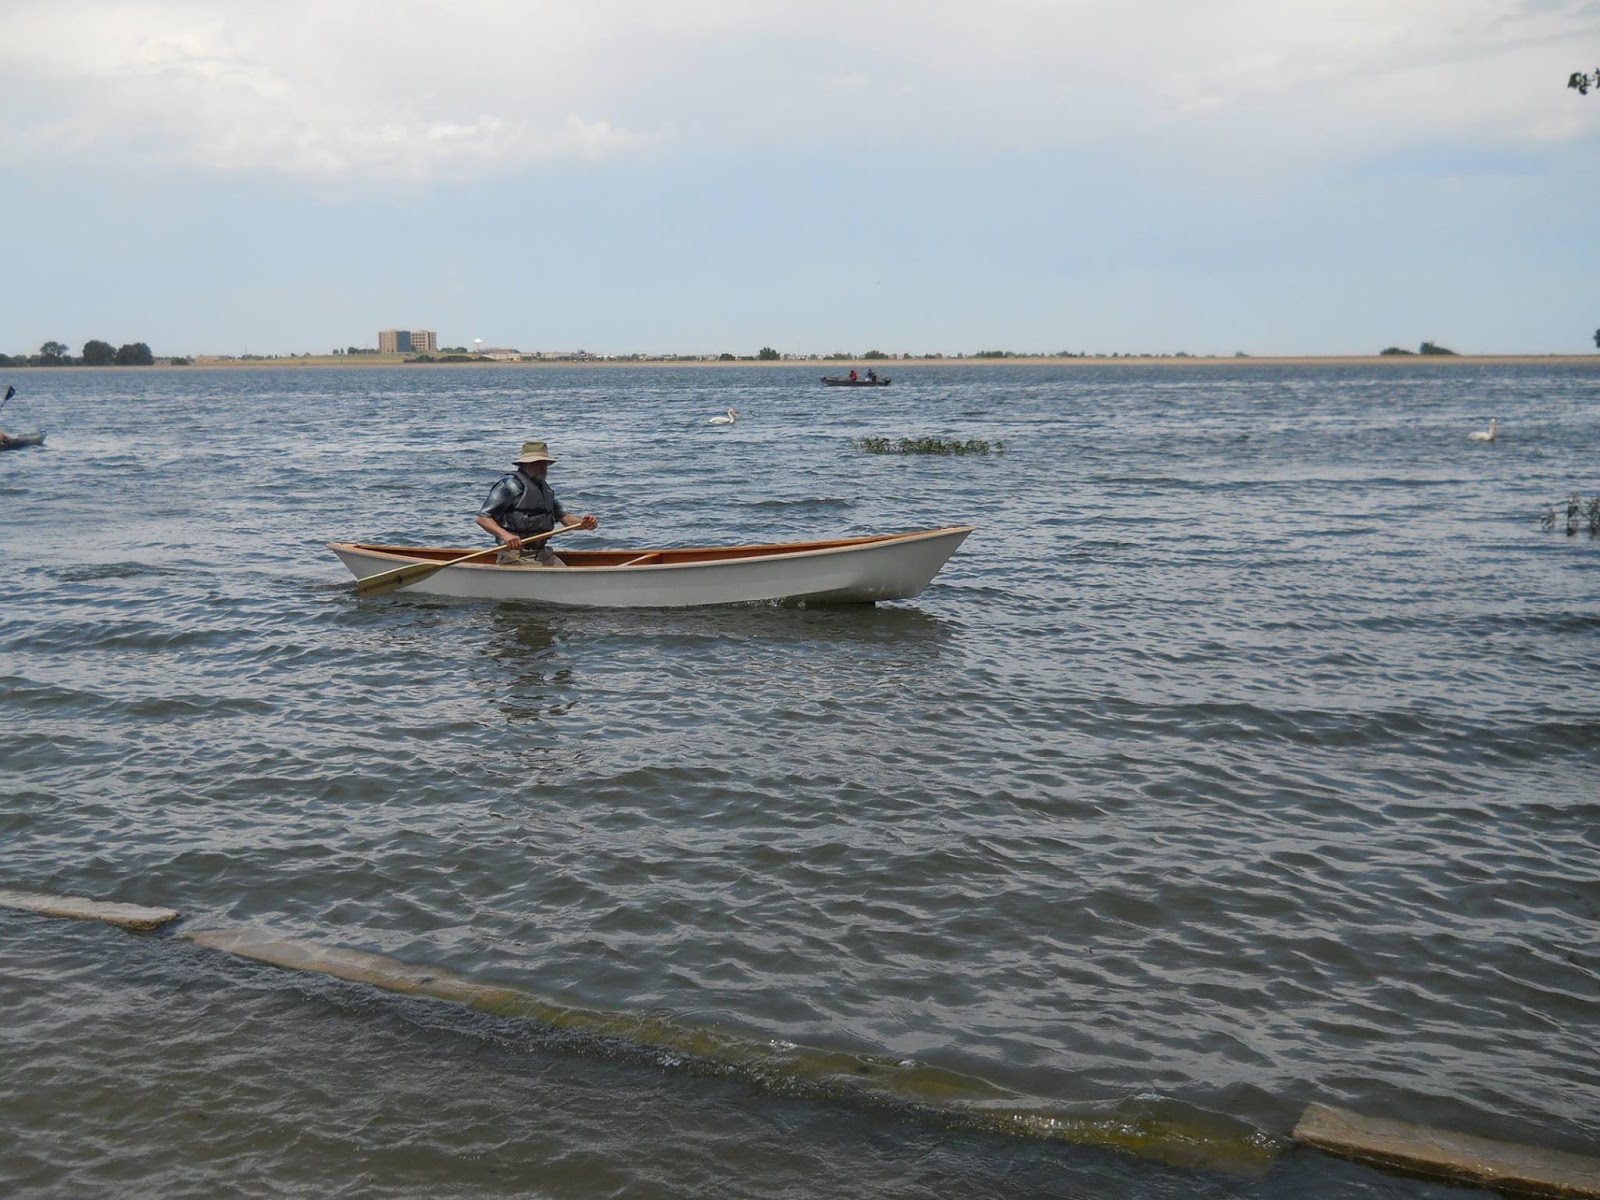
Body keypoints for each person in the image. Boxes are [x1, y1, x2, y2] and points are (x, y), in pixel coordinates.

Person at [475, 439, 598, 565]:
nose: (542, 467)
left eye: (545, 463)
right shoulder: (509, 485)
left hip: (543, 554)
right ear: (524, 464)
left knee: (567, 575)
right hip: (515, 555)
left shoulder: (544, 490)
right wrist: (505, 536)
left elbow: (566, 519)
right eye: (537, 463)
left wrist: (584, 524)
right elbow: (482, 518)